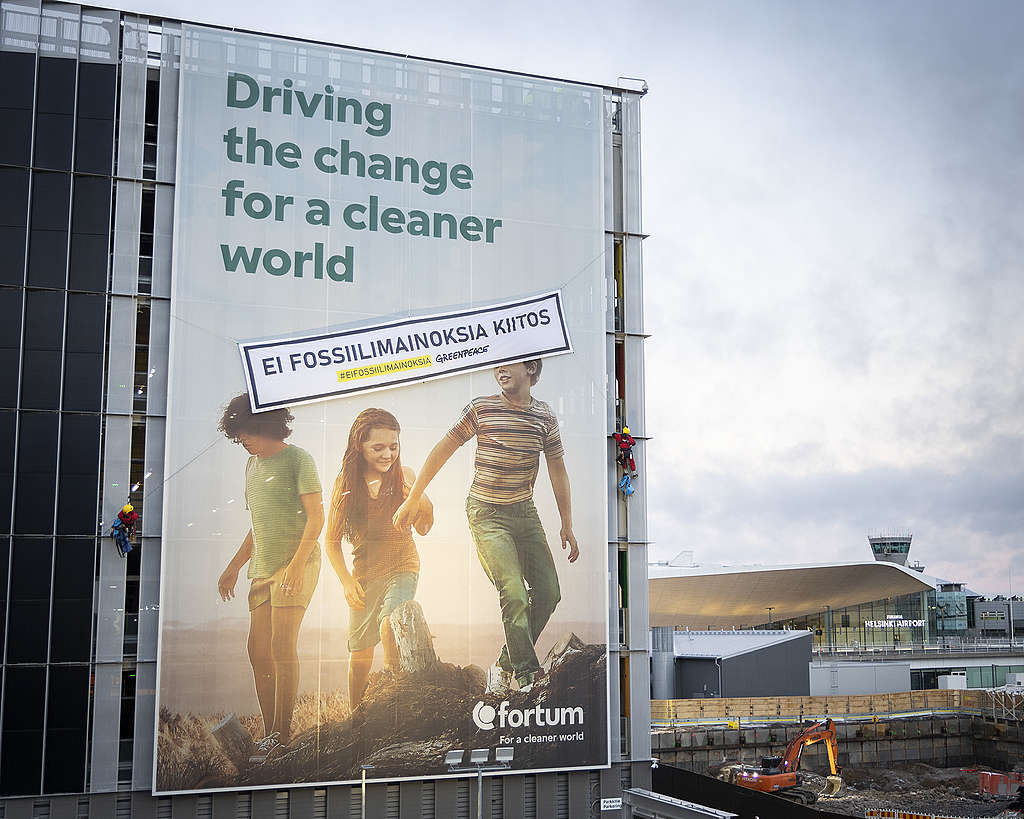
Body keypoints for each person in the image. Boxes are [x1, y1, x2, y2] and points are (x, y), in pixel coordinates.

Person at [393, 359, 578, 694]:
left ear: (532, 370)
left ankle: (506, 661)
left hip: (525, 513)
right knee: (514, 591)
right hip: (486, 515)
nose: (501, 370)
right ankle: (525, 676)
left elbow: (557, 470)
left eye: (510, 364)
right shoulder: (482, 409)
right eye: (496, 366)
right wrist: (414, 498)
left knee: (549, 592)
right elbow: (442, 450)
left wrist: (567, 523)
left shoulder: (545, 417)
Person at [215, 393, 324, 764]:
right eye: (237, 433)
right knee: (256, 650)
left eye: (245, 431)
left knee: (280, 645)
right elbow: (258, 525)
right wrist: (233, 565)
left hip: (298, 564)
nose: (241, 439)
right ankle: (268, 734)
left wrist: (296, 564)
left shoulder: (299, 459)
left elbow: (317, 519)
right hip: (261, 567)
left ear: (265, 425)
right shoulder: (251, 466)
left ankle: (281, 734)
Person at [325, 408, 434, 709]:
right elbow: (331, 543)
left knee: (390, 624)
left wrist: (419, 499)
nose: (388, 454)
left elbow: (424, 528)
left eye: (394, 446)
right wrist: (346, 582)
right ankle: (356, 717)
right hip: (363, 577)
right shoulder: (345, 485)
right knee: (359, 652)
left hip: (403, 566)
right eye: (379, 447)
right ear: (359, 446)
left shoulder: (406, 476)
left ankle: (395, 697)